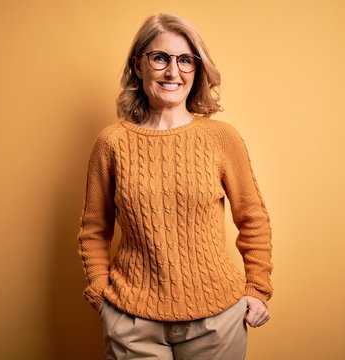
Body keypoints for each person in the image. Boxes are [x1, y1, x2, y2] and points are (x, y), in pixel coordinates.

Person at [77, 13, 273, 359]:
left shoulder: (221, 138)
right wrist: (100, 293)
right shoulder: (111, 143)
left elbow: (253, 217)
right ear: (138, 66)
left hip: (217, 321)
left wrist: (257, 289)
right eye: (160, 58)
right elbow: (94, 228)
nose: (173, 71)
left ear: (197, 69)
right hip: (131, 322)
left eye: (185, 60)